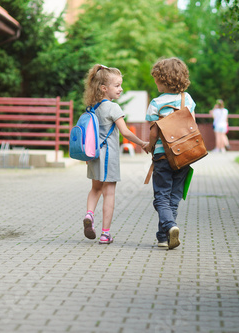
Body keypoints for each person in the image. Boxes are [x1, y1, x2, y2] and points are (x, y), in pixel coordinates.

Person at [82, 64, 148, 244]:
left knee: (95, 189)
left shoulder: (92, 108)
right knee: (109, 194)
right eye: (117, 85)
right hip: (109, 158)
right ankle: (105, 234)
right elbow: (125, 132)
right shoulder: (113, 108)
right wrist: (142, 143)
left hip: (94, 156)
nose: (121, 89)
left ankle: (89, 214)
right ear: (104, 88)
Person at [145, 58, 196, 250]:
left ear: (164, 80)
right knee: (173, 197)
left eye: (157, 79)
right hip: (184, 154)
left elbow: (153, 131)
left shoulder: (156, 103)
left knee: (161, 197)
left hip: (162, 155)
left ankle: (170, 226)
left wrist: (150, 147)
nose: (155, 83)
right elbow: (192, 125)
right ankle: (163, 237)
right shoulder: (187, 99)